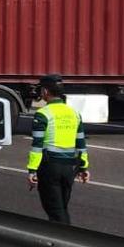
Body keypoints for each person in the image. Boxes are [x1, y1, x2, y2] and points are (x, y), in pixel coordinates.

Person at [26, 74, 90, 225]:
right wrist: (84, 167)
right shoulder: (74, 114)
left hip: (50, 168)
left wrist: (32, 170)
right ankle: (62, 242)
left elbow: (37, 146)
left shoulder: (42, 114)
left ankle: (65, 244)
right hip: (69, 168)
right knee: (61, 207)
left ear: (46, 92)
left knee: (55, 211)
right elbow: (81, 143)